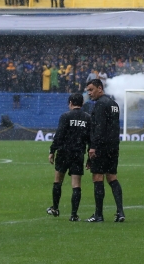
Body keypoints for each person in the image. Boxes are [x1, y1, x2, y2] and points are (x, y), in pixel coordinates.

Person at [85, 79, 124, 222]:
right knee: (112, 177)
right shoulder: (114, 104)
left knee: (97, 177)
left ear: (100, 88)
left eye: (91, 90)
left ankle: (98, 214)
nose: (89, 93)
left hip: (101, 146)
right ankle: (120, 212)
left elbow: (99, 128)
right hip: (113, 146)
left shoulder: (100, 105)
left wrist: (93, 147)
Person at [48, 93, 90, 221]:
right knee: (76, 184)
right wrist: (89, 156)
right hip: (78, 153)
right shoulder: (87, 118)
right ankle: (74, 215)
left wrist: (52, 150)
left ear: (70, 103)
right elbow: (90, 139)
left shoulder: (65, 116)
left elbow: (59, 135)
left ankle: (55, 208)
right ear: (82, 103)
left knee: (58, 181)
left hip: (64, 152)